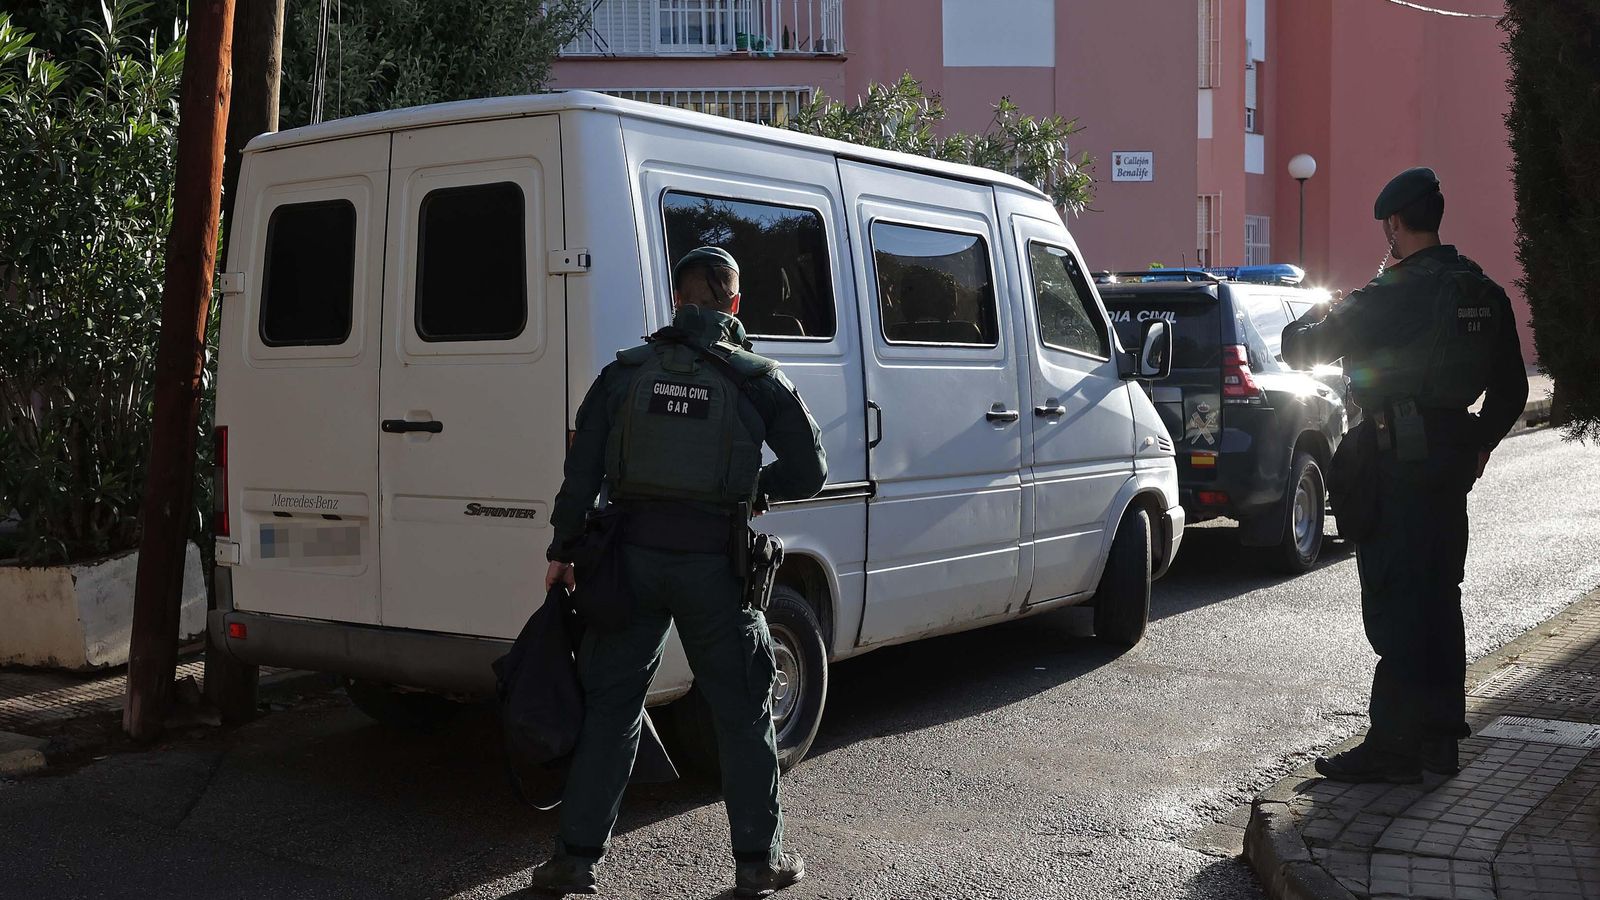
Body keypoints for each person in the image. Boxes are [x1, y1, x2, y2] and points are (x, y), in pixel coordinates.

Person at [528, 246, 827, 896]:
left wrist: (562, 549)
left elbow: (581, 472)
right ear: (734, 304)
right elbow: (811, 469)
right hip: (715, 567)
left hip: (627, 560)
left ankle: (574, 860)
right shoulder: (756, 377)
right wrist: (751, 488)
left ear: (677, 300)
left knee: (612, 706)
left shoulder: (625, 373)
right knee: (744, 711)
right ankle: (758, 863)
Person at [1282, 167, 1528, 784]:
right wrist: (1477, 444)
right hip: (1449, 458)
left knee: (1394, 600)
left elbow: (1300, 349)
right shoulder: (1482, 291)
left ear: (1395, 224)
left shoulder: (1391, 292)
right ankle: (1441, 740)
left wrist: (1321, 312)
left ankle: (1393, 746)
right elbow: (1513, 390)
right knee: (1440, 597)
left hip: (1395, 459)